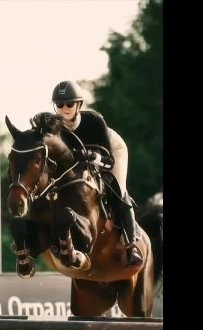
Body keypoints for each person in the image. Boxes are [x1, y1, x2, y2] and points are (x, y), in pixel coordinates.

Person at [47, 80, 143, 267]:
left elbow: (109, 162)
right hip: (82, 161)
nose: (64, 108)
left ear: (79, 105)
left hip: (112, 151)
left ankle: (131, 245)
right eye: (59, 104)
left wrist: (91, 156)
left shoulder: (93, 120)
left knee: (117, 189)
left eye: (69, 104)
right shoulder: (56, 128)